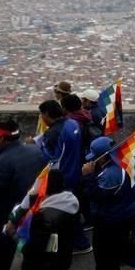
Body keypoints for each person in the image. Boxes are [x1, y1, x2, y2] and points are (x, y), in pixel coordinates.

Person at [81, 137, 135, 270]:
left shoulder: (110, 175)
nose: (92, 160)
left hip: (109, 221)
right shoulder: (123, 163)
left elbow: (98, 195)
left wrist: (88, 176)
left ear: (104, 156)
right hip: (125, 215)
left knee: (105, 260)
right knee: (122, 250)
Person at [0, 120, 46, 270]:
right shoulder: (34, 150)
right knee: (29, 248)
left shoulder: (1, 162)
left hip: (7, 213)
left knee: (1, 253)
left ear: (1, 139)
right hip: (32, 207)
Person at [35, 100, 90, 254]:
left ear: (46, 114)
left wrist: (39, 146)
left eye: (41, 114)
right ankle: (78, 241)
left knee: (62, 211)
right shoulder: (72, 123)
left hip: (62, 176)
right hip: (75, 171)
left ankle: (80, 244)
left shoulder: (52, 133)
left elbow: (51, 159)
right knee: (71, 208)